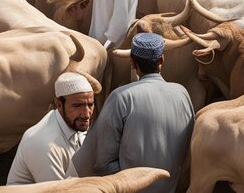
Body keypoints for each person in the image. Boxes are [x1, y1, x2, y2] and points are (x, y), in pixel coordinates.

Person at [69, 33, 195, 193]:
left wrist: (134, 172)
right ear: (162, 60)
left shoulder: (121, 97)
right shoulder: (182, 93)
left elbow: (102, 164)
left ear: (132, 63)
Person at [7, 72, 95, 184]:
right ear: (59, 104)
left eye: (90, 104)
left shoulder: (75, 124)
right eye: (77, 105)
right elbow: (57, 190)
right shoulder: (44, 144)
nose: (86, 114)